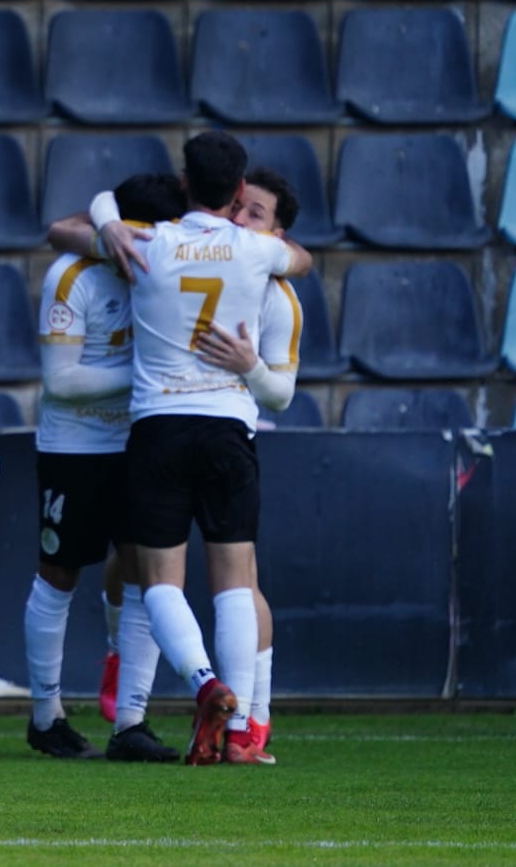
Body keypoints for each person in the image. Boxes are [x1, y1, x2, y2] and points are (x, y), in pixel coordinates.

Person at [93, 132, 311, 766]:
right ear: (239, 192)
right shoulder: (259, 252)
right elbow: (301, 261)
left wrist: (109, 223)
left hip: (158, 426)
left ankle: (201, 683)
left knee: (158, 581)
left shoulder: (146, 241)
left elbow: (98, 206)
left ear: (183, 184)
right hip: (227, 427)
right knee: (235, 583)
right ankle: (239, 726)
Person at [27, 173, 186, 764]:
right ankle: (46, 717)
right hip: (75, 447)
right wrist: (149, 378)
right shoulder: (72, 276)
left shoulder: (166, 271)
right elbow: (62, 381)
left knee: (146, 572)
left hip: (140, 443)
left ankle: (132, 721)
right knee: (59, 574)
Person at [192, 166, 307, 758]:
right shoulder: (206, 260)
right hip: (181, 427)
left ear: (278, 237)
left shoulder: (278, 297)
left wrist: (248, 365)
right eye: (237, 207)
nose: (238, 221)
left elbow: (281, 395)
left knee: (241, 583)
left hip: (232, 439)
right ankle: (249, 723)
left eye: (254, 214)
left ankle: (252, 719)